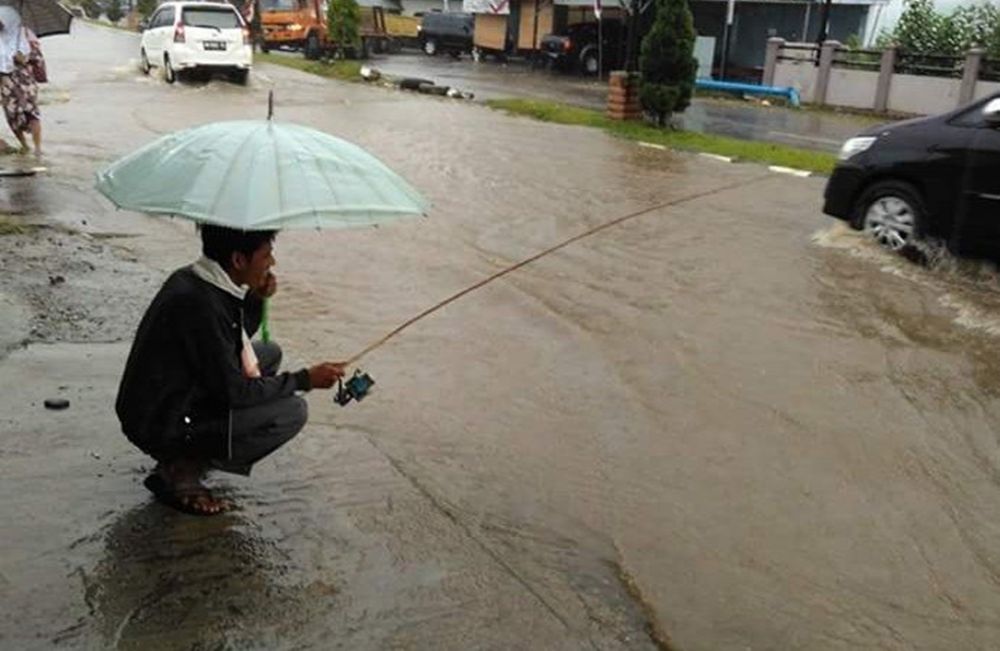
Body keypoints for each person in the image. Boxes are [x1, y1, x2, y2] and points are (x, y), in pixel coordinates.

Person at [116, 226, 347, 515]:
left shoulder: (196, 279)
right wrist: (304, 379)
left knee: (270, 353)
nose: (271, 263)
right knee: (292, 412)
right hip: (160, 421)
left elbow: (229, 340)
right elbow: (234, 391)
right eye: (266, 255)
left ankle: (190, 450)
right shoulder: (200, 303)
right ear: (239, 260)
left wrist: (255, 298)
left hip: (163, 400)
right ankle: (182, 467)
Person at [0, 7, 41, 156]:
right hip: (4, 81)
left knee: (31, 113)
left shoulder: (21, 35)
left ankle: (37, 148)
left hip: (24, 80)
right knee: (11, 115)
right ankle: (24, 145)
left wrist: (21, 58)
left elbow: (29, 58)